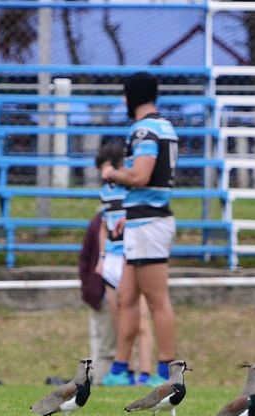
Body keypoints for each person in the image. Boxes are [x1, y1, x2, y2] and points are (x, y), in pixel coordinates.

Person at [99, 72, 178, 387]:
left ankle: (167, 371)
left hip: (149, 223)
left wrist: (113, 173)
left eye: (124, 94)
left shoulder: (143, 130)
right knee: (126, 297)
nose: (122, 100)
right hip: (141, 219)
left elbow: (141, 176)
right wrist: (126, 215)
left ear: (133, 96)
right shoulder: (164, 126)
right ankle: (120, 371)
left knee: (157, 300)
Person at [94, 142, 158, 386]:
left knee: (140, 319)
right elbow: (104, 225)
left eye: (106, 167)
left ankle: (145, 372)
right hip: (111, 258)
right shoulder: (105, 191)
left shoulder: (133, 189)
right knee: (119, 319)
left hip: (130, 257)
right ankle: (126, 372)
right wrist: (101, 259)